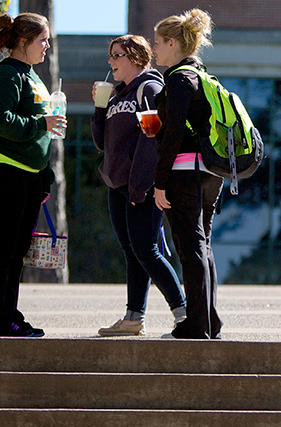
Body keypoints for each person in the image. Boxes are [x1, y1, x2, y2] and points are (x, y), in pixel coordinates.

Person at [0, 12, 66, 337]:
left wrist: (44, 178)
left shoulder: (33, 77)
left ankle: (8, 316)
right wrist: (41, 124)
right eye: (42, 40)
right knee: (2, 249)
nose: (47, 46)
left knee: (16, 252)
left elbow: (42, 133)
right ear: (23, 42)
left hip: (27, 174)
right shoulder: (5, 75)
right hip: (1, 170)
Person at [92, 34, 186, 336]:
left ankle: (184, 313)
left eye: (116, 55)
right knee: (132, 252)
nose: (111, 61)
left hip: (140, 186)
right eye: (110, 56)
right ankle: (133, 318)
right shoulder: (118, 94)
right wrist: (99, 107)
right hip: (116, 184)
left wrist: (140, 185)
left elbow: (152, 139)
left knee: (147, 251)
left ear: (135, 57)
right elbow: (100, 143)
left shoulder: (148, 87)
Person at [150, 8, 223, 339]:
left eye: (156, 42)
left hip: (184, 172)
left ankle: (196, 325)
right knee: (203, 246)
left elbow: (175, 134)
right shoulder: (203, 75)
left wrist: (159, 182)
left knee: (190, 248)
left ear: (170, 43)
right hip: (211, 172)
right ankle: (209, 321)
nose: (154, 49)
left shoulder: (178, 79)